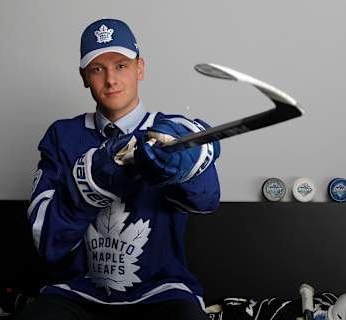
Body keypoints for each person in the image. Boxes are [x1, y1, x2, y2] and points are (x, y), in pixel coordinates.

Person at [18, 18, 221, 320]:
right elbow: (47, 240)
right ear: (84, 77)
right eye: (97, 69)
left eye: (121, 66)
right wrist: (93, 179)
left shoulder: (170, 131)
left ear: (140, 68)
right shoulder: (63, 136)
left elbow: (207, 201)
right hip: (75, 294)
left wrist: (186, 164)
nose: (110, 79)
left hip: (161, 293)